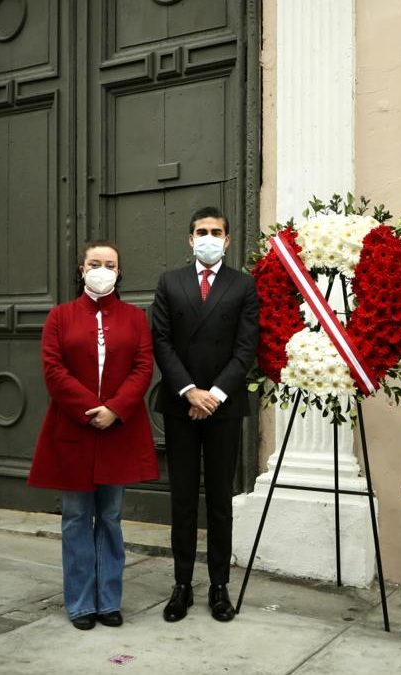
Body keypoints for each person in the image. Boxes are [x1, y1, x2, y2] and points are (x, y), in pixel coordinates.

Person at [28, 241, 158, 631]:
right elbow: (53, 370)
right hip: (73, 429)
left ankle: (109, 600)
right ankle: (81, 603)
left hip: (119, 430)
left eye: (110, 264)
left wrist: (115, 408)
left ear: (119, 273)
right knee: (76, 518)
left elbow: (143, 367)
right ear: (82, 270)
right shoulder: (60, 317)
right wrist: (90, 409)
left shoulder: (135, 318)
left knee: (111, 518)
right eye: (94, 263)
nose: (102, 269)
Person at [151, 206, 259, 623]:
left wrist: (213, 394)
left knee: (219, 500)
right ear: (190, 239)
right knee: (182, 499)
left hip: (223, 407)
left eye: (216, 231)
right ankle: (181, 585)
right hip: (181, 405)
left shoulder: (242, 286)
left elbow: (246, 347)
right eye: (201, 231)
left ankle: (218, 586)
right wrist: (190, 392)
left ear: (228, 240)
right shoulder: (170, 282)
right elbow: (161, 340)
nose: (209, 237)